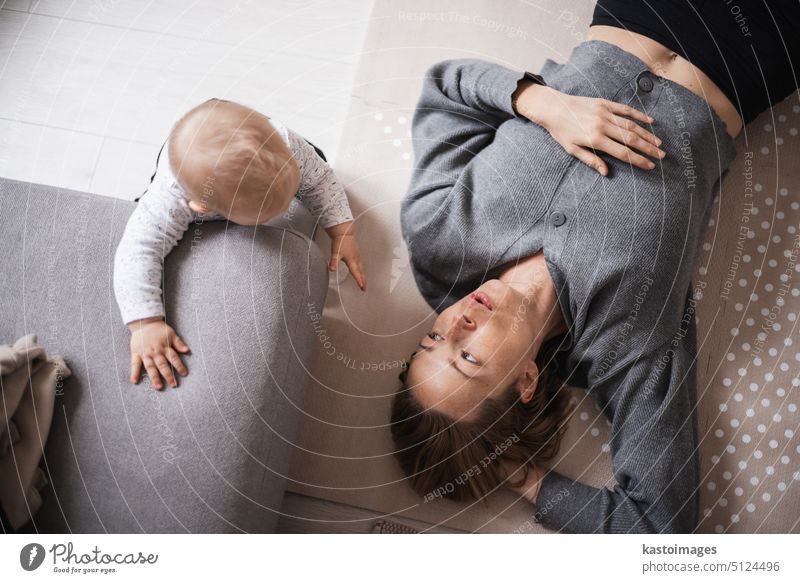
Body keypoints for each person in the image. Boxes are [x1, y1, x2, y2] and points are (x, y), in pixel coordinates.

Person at [390, 1, 800, 533]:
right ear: (526, 382)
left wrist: (542, 104)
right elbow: (659, 527)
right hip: (757, 49)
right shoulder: (623, 346)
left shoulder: (438, 238)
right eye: (467, 357)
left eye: (431, 342)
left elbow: (445, 89)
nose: (454, 324)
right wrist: (524, 477)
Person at [113, 99, 366, 390]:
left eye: (288, 196)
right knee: (146, 225)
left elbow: (320, 181)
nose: (285, 210)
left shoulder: (283, 141)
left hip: (272, 150)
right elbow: (136, 252)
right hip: (180, 191)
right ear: (205, 208)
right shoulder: (172, 201)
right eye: (270, 212)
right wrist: (145, 323)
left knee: (315, 162)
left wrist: (343, 231)